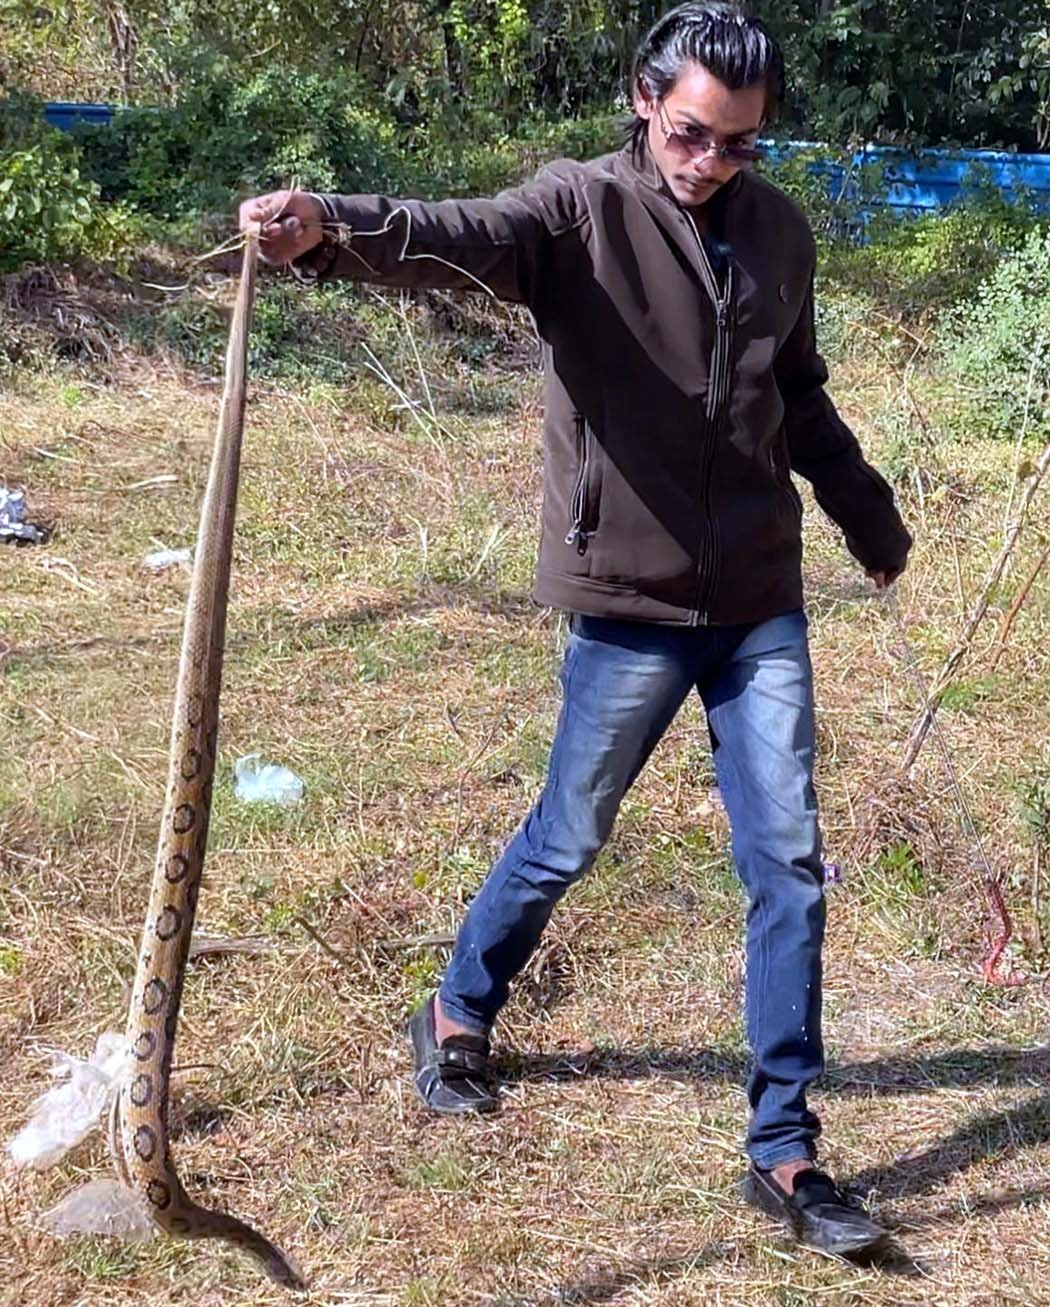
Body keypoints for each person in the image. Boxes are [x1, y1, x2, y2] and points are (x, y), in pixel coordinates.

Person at [240, 1, 910, 1257]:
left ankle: (785, 1148)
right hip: (631, 604)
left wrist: (869, 520)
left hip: (759, 597)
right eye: (696, 133)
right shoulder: (576, 211)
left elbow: (799, 396)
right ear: (646, 99)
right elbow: (456, 234)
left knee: (790, 865)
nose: (712, 163)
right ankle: (456, 1010)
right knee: (568, 833)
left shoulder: (778, 232)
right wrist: (331, 229)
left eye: (742, 144)